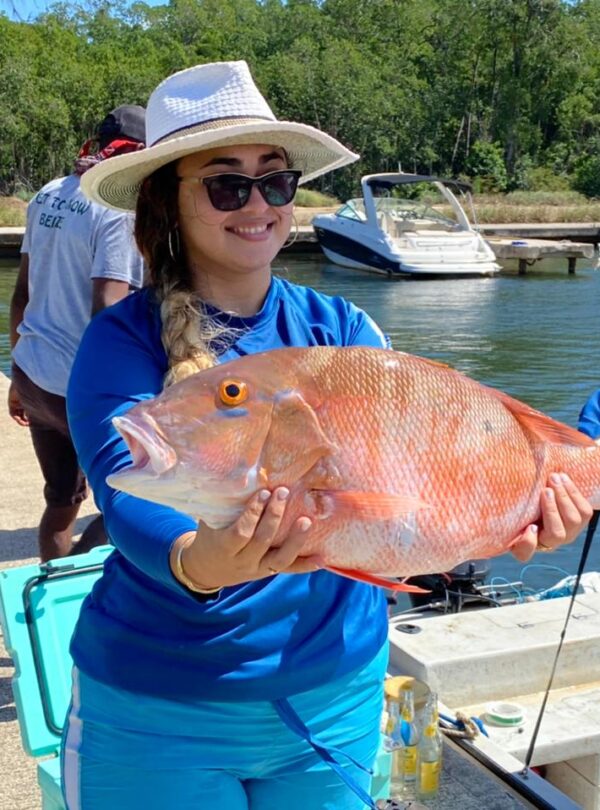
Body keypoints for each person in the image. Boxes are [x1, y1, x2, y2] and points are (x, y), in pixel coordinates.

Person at [61, 61, 593, 810]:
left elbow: (413, 505)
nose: (258, 204)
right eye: (226, 184)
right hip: (157, 709)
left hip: (333, 699)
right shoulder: (120, 343)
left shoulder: (342, 331)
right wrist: (203, 561)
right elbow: (129, 504)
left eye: (275, 182)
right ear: (165, 204)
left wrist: (516, 518)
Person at [8, 104, 146, 562]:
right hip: (79, 391)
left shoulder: (48, 193)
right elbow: (108, 310)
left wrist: (15, 377)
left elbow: (22, 293)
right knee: (137, 500)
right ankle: (78, 579)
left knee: (61, 500)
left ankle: (52, 586)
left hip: (33, 375)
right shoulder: (117, 211)